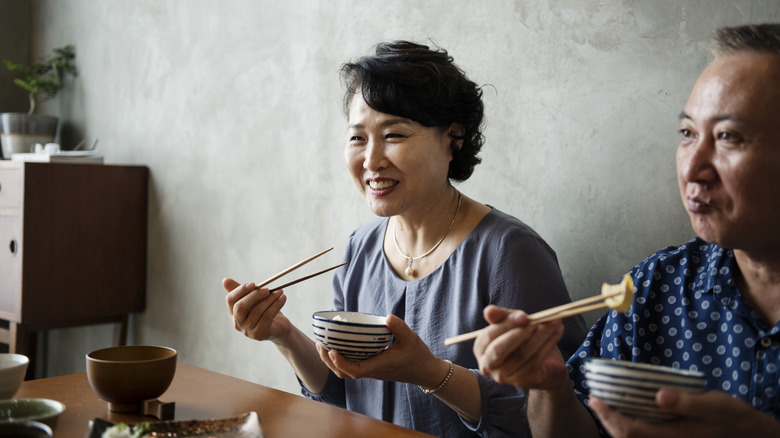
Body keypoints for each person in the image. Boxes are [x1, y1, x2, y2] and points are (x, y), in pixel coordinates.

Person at [224, 40, 587, 437]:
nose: (371, 159)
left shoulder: (510, 252)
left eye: (393, 134)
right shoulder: (359, 249)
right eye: (358, 138)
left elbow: (549, 419)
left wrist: (427, 372)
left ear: (454, 137)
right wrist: (285, 335)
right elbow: (347, 394)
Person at [472, 23, 780, 438]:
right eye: (688, 133)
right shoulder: (657, 287)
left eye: (728, 137)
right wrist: (550, 386)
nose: (692, 169)